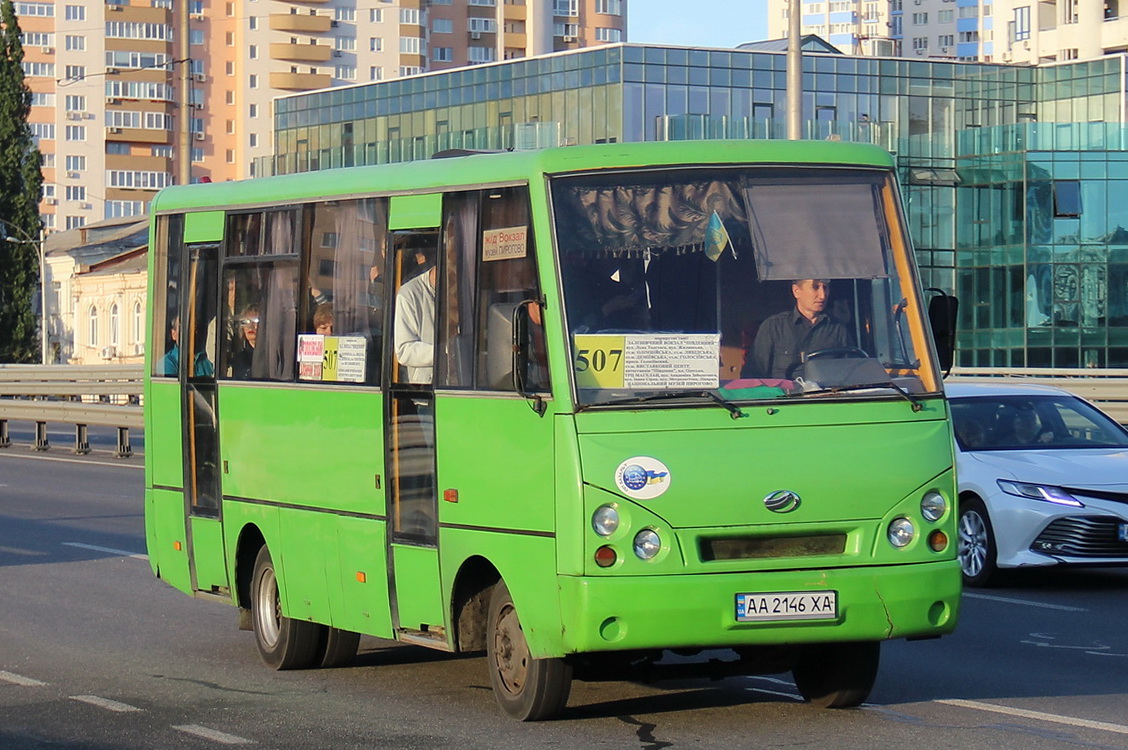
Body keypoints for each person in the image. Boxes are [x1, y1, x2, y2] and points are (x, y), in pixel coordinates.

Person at [742, 278, 852, 380]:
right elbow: (752, 376)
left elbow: (852, 372)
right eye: (815, 287)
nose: (822, 295)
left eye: (825, 287)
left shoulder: (838, 328)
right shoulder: (773, 327)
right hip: (785, 399)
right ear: (796, 291)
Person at [394, 264, 437, 384]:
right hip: (426, 391)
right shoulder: (409, 294)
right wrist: (443, 353)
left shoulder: (463, 290)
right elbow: (404, 351)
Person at [230, 306, 259, 379]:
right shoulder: (239, 359)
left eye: (255, 321)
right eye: (246, 322)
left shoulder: (271, 357)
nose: (250, 326)